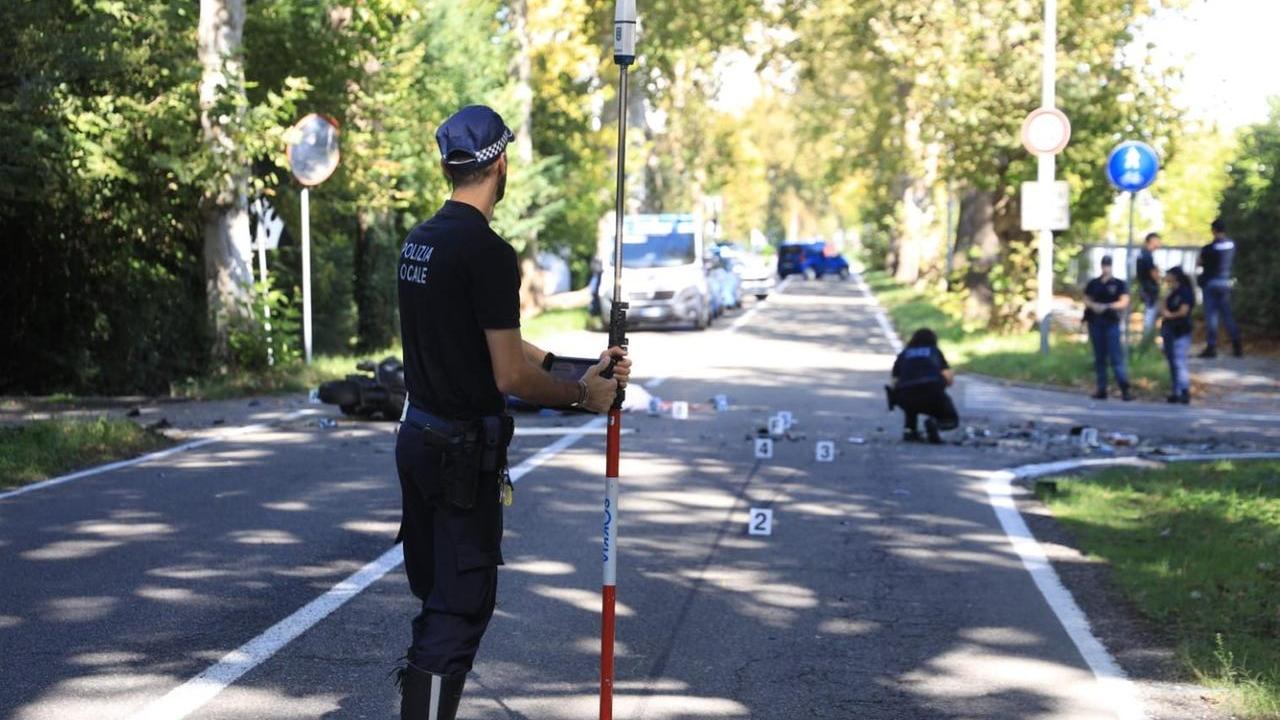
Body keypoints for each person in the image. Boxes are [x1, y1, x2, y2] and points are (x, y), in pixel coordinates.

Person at [394, 105, 631, 720]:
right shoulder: (488, 252)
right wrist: (584, 395)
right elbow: (507, 373)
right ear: (501, 163)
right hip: (458, 454)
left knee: (438, 596)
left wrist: (572, 365)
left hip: (418, 437)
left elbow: (496, 338)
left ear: (450, 165)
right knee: (460, 605)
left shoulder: (420, 241)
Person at [886, 328, 959, 444]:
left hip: (906, 397)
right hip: (932, 394)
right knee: (951, 420)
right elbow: (948, 376)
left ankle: (910, 430)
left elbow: (895, 381)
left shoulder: (904, 354)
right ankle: (936, 423)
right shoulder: (934, 351)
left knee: (909, 392)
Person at [1083, 255, 1133, 401]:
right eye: (1104, 265)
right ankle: (1101, 388)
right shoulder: (1094, 283)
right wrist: (1094, 306)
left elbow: (1124, 301)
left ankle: (1124, 388)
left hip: (1111, 322)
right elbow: (1086, 298)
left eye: (1108, 265)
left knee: (1116, 357)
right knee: (1099, 357)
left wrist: (1107, 306)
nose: (1106, 268)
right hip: (1096, 322)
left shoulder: (1118, 284)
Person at [1196, 218, 1242, 358]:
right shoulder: (1231, 245)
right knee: (1227, 315)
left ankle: (1211, 347)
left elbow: (1199, 263)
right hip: (1225, 283)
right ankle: (1237, 345)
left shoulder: (1208, 248)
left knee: (1212, 317)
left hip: (1210, 283)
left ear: (1213, 230)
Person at [1159, 266, 1196, 404]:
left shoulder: (1184, 292)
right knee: (1172, 362)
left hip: (1181, 330)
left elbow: (1184, 310)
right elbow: (1162, 306)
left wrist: (1170, 315)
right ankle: (1176, 391)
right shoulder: (1172, 292)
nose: (1166, 277)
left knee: (1179, 362)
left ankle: (1184, 391)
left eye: (1168, 274)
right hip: (1169, 330)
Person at [1135, 232, 1162, 337]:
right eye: (1157, 241)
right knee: (1150, 314)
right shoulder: (1146, 255)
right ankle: (1147, 339)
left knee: (1150, 313)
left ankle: (1148, 338)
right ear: (1151, 241)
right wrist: (1158, 277)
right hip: (1149, 289)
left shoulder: (1143, 254)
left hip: (1146, 287)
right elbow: (1153, 274)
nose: (1159, 243)